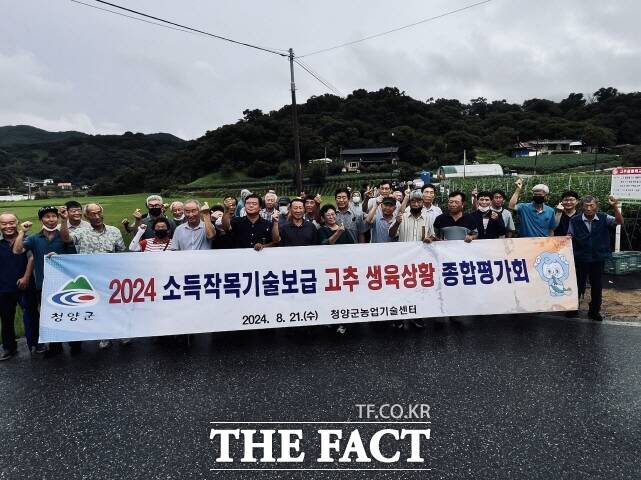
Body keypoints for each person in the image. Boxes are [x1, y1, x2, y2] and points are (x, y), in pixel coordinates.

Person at [60, 203, 127, 349]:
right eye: (92, 214)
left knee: (117, 307)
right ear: (86, 216)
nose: (96, 216)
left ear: (102, 213)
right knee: (99, 308)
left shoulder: (114, 231)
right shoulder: (82, 232)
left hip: (112, 277)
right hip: (91, 278)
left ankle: (122, 333)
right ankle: (104, 336)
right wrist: (64, 220)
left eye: (98, 213)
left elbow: (121, 252)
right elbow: (66, 239)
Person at [13, 206, 75, 356]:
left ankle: (75, 342)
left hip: (66, 283)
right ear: (41, 220)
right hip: (44, 284)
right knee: (51, 316)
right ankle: (55, 346)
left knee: (69, 314)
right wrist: (22, 232)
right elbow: (17, 250)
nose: (51, 220)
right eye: (47, 217)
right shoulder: (34, 238)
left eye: (54, 216)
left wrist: (65, 220)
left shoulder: (64, 234)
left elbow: (67, 240)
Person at [567, 195, 624, 321]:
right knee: (578, 284)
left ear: (596, 206)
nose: (588, 208)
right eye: (586, 206)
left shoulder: (604, 218)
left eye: (591, 205)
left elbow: (619, 221)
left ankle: (594, 310)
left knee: (597, 285)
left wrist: (614, 206)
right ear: (581, 207)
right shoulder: (575, 220)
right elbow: (569, 236)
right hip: (581, 257)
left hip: (598, 258)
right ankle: (573, 308)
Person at [0, 213, 39, 360]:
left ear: (17, 222)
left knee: (31, 315)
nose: (8, 226)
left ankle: (35, 344)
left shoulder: (27, 239)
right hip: (4, 286)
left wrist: (26, 277)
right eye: (4, 223)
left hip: (25, 285)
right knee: (6, 318)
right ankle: (9, 348)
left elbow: (31, 258)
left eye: (11, 223)